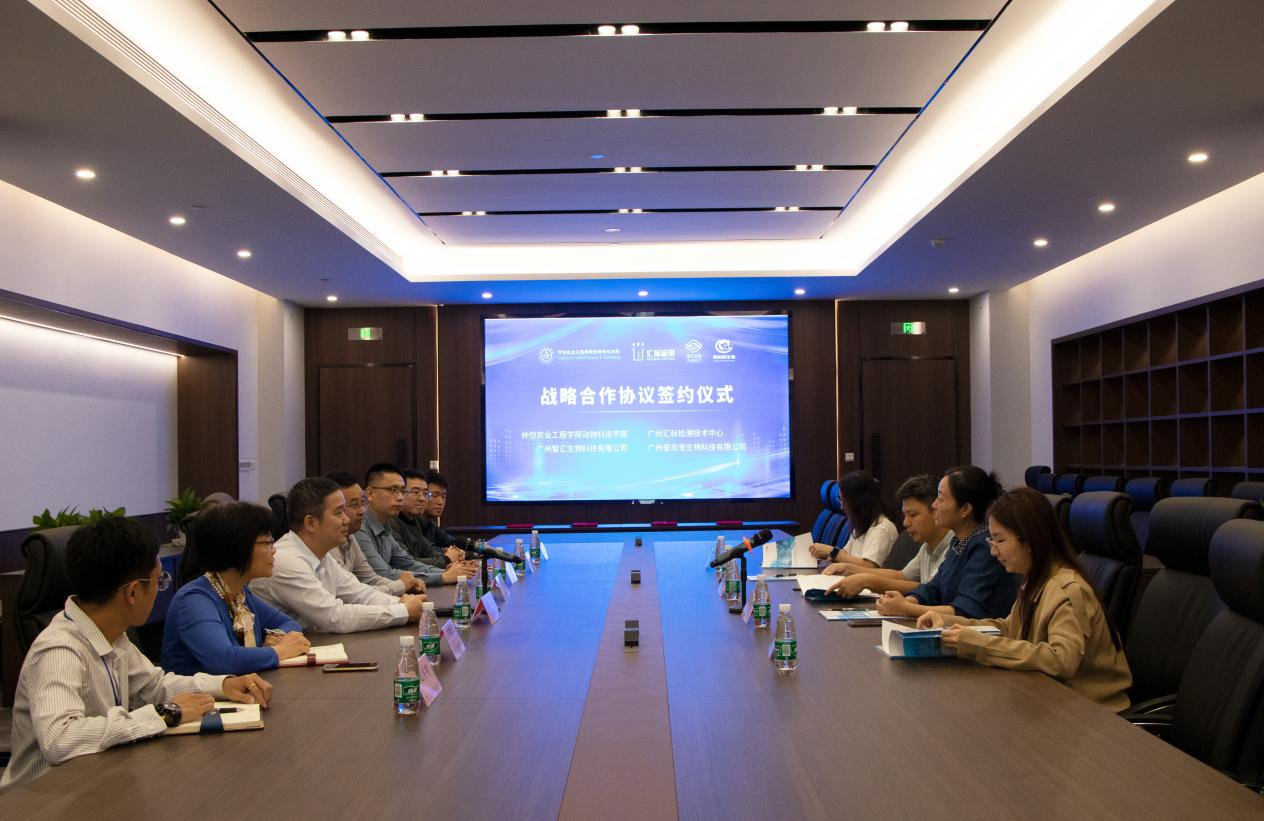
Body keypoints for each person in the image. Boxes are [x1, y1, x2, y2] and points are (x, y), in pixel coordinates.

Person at [1, 517, 272, 789]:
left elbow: (153, 687)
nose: (158, 590)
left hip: (98, 781)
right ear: (132, 592)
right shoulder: (59, 650)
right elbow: (60, 738)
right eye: (159, 581)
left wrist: (222, 685)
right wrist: (166, 715)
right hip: (44, 798)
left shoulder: (113, 635)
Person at [917, 487, 1132, 711]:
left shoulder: (1067, 589)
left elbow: (1061, 660)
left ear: (1030, 540)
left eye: (1000, 540)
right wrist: (949, 624)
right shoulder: (1037, 579)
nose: (993, 551)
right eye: (991, 541)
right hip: (1052, 698)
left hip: (1092, 712)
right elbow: (1008, 628)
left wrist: (978, 644)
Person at [249, 476, 428, 633]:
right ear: (311, 523)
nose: (346, 519)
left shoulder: (321, 555)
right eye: (338, 513)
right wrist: (403, 611)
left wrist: (399, 603)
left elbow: (359, 593)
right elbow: (335, 617)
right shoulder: (287, 561)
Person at [162, 502, 311, 675]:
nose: (274, 550)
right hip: (202, 693)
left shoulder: (239, 594)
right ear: (238, 547)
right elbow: (224, 661)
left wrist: (278, 636)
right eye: (268, 542)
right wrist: (280, 651)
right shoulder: (194, 601)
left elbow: (290, 624)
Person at [876, 466, 1018, 619]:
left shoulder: (984, 547)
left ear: (965, 509)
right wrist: (907, 601)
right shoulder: (958, 541)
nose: (934, 505)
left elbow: (965, 611)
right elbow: (933, 589)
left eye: (941, 499)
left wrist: (906, 608)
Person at [827, 474, 952, 597]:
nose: (905, 523)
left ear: (936, 510)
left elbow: (931, 591)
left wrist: (867, 581)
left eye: (912, 515)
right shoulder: (927, 546)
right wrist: (848, 569)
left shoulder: (955, 548)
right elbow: (901, 576)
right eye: (905, 515)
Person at [355, 462, 478, 587]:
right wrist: (443, 576)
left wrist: (447, 572)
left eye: (402, 491)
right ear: (369, 494)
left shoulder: (385, 526)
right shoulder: (359, 527)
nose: (400, 497)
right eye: (393, 490)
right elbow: (384, 574)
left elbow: (407, 563)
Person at [325, 471, 424, 595]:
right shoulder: (328, 543)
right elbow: (349, 593)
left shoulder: (350, 536)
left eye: (362, 503)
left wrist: (406, 587)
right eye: (355, 505)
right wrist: (401, 586)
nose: (362, 511)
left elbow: (370, 579)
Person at [810, 471, 898, 572]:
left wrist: (832, 551)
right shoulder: (862, 523)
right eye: (840, 499)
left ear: (859, 502)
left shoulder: (882, 528)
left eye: (845, 501)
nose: (842, 506)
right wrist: (827, 554)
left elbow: (869, 567)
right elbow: (846, 554)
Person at [390, 469, 464, 569]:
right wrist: (446, 559)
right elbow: (405, 563)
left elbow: (428, 548)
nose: (422, 498)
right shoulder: (391, 523)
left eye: (425, 493)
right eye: (416, 492)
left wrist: (452, 554)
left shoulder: (414, 520)